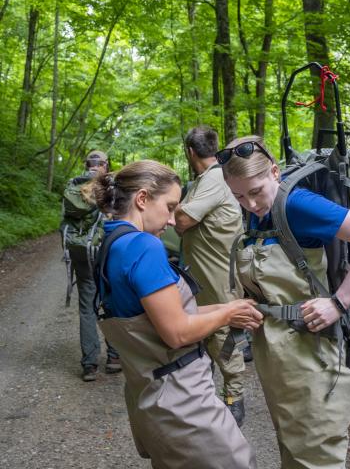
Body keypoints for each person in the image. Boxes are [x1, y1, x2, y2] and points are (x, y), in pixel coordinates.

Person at [216, 135, 350, 469]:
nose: (249, 204)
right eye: (238, 195)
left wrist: (338, 302)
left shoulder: (297, 204)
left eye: (255, 192)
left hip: (313, 357)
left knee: (316, 457)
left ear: (275, 173)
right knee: (294, 449)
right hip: (279, 355)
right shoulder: (254, 214)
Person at [92, 160, 260, 468]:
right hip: (182, 401)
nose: (172, 220)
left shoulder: (112, 243)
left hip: (151, 396)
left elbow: (160, 316)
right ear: (142, 199)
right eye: (169, 207)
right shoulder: (144, 246)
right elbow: (177, 331)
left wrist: (228, 308)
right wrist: (226, 315)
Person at [174, 125, 249, 426]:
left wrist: (177, 215)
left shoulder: (215, 178)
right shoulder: (208, 179)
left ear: (190, 152)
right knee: (205, 334)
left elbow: (182, 218)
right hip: (206, 277)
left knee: (223, 335)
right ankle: (208, 396)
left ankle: (235, 399)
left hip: (220, 277)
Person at [60, 150, 121, 382]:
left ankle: (89, 365)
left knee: (87, 307)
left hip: (80, 252)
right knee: (110, 302)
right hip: (104, 252)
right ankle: (114, 358)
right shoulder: (109, 185)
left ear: (87, 164)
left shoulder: (73, 186)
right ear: (104, 165)